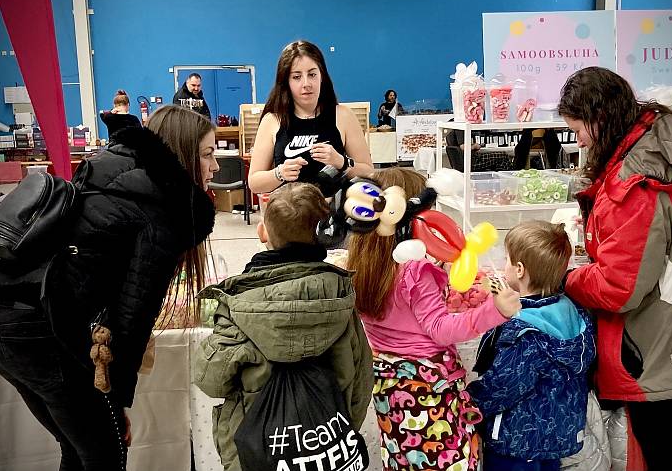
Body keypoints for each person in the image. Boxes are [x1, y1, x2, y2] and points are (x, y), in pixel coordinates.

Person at [0, 105, 219, 470]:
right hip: (38, 332)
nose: (215, 166)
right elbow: (132, 316)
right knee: (104, 456)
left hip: (2, 320)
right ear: (182, 151)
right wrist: (114, 403)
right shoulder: (158, 211)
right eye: (208, 154)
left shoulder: (111, 169)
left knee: (80, 450)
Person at [559, 67, 672, 471]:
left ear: (601, 118)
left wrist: (566, 277)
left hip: (651, 332)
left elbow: (617, 287)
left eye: (579, 129)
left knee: (657, 440)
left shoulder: (635, 183)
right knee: (662, 434)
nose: (579, 140)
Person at [347, 167, 521, 471]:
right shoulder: (415, 271)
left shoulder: (362, 263)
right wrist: (496, 310)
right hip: (428, 386)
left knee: (404, 455)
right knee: (445, 457)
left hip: (388, 383)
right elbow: (441, 330)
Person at [193, 182, 373, 471]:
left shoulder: (239, 305)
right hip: (325, 447)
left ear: (263, 232)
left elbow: (209, 379)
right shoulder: (340, 298)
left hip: (255, 453)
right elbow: (362, 376)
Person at [467, 221, 596, 471]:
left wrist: (470, 400)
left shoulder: (523, 332)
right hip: (557, 437)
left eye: (506, 259)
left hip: (516, 442)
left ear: (519, 269)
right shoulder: (574, 312)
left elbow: (504, 385)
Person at [248, 40, 373, 196]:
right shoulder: (272, 121)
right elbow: (254, 182)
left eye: (312, 74)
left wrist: (341, 162)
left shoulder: (344, 116)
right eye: (296, 77)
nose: (306, 83)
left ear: (322, 76)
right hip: (289, 215)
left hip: (332, 215)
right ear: (286, 81)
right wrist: (279, 173)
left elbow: (369, 172)